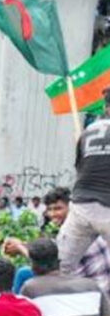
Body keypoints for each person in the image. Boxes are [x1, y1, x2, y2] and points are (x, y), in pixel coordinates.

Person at [56, 89, 110, 274]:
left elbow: (81, 168)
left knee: (60, 268)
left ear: (105, 107)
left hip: (80, 208)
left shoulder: (88, 130)